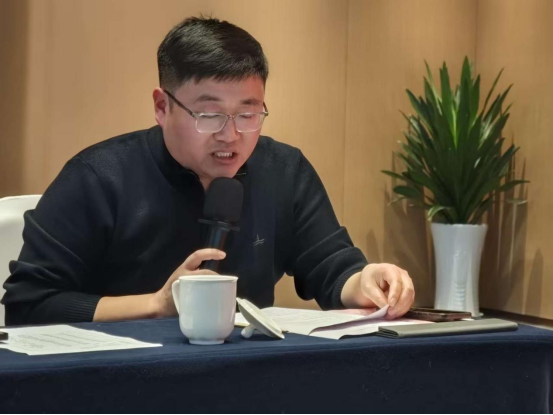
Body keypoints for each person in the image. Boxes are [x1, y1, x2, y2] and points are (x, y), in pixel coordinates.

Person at [2, 16, 414, 326]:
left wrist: (368, 280)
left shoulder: (284, 171)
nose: (230, 135)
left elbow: (331, 268)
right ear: (162, 106)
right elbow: (29, 304)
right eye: (209, 114)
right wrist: (156, 305)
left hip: (247, 379)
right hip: (116, 380)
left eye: (248, 114)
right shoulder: (98, 177)